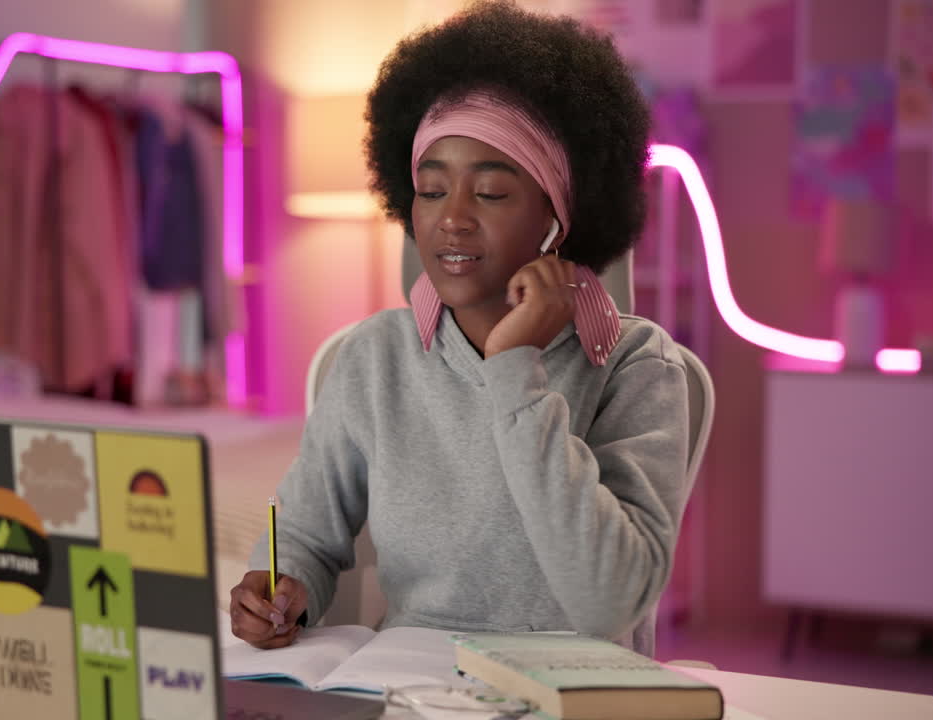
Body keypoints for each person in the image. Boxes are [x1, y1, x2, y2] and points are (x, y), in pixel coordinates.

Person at [230, 0, 690, 658]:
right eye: (432, 189)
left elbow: (607, 601)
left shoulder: (638, 367)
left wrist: (513, 371)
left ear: (557, 218)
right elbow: (304, 533)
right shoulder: (374, 358)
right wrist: (278, 587)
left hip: (575, 693)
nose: (452, 219)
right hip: (410, 685)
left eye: (492, 193)